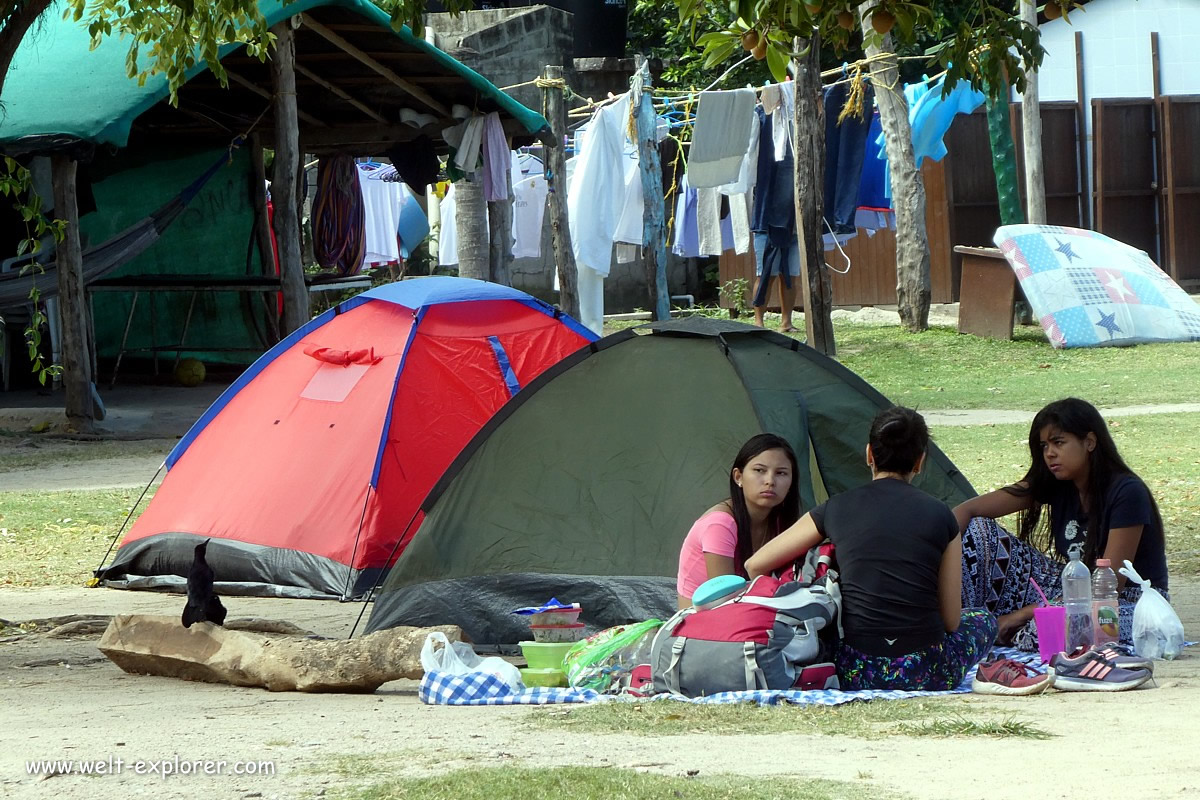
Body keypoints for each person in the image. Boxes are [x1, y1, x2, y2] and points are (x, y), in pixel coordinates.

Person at [745, 407, 997, 691]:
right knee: (983, 619)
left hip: (855, 669)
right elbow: (951, 622)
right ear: (920, 461)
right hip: (927, 670)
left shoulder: (836, 508)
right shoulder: (942, 516)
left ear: (869, 455)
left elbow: (755, 565)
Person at [953, 397, 1169, 651]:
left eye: (1058, 442)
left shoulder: (1127, 492)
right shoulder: (1057, 484)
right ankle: (968, 628)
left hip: (1129, 604)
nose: (1049, 453)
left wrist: (1023, 614)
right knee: (979, 532)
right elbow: (969, 509)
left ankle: (1000, 630)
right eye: (1044, 446)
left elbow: (1110, 587)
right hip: (1072, 590)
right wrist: (930, 557)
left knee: (1048, 628)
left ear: (1089, 442)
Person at [676, 434, 800, 608]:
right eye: (759, 470)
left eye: (781, 473)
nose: (770, 481)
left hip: (751, 612)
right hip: (700, 623)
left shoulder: (780, 522)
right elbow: (722, 602)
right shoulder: (720, 524)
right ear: (738, 477)